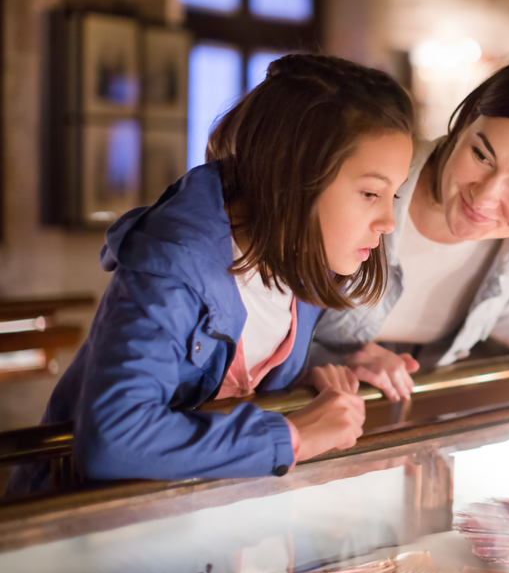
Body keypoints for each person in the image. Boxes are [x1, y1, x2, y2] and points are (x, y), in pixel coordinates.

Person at [6, 55, 414, 496]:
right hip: (78, 530)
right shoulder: (172, 266)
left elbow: (235, 367)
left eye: (393, 192)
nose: (388, 220)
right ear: (290, 177)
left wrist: (303, 378)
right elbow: (113, 439)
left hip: (186, 524)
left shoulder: (308, 263)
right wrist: (292, 437)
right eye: (371, 192)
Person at [307, 53, 509, 403]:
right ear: (467, 123)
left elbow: (495, 303)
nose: (484, 197)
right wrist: (335, 360)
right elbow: (264, 307)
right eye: (482, 156)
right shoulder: (367, 181)